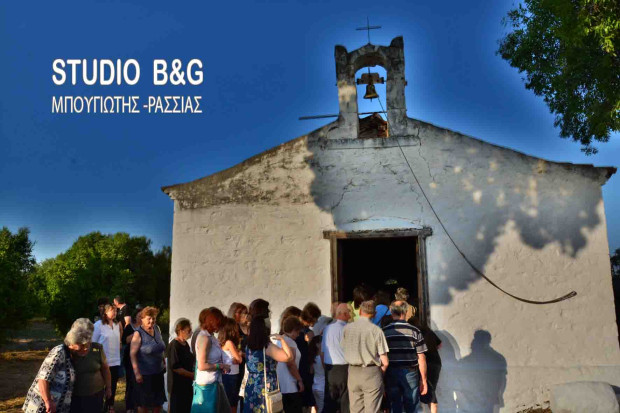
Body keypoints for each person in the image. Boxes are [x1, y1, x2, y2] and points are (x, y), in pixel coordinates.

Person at [23, 318, 97, 413]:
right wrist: (48, 401)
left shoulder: (73, 356)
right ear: (71, 344)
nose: (86, 348)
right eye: (82, 346)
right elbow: (43, 379)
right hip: (43, 407)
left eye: (88, 345)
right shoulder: (59, 352)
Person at [243, 298, 294, 413]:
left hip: (251, 385)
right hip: (265, 386)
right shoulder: (267, 347)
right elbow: (289, 357)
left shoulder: (248, 345)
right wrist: (282, 339)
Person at [341, 300, 389, 413]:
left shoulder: (347, 328)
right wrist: (379, 374)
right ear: (374, 314)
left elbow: (343, 348)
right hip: (371, 371)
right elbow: (385, 362)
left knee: (355, 409)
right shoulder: (376, 331)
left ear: (360, 311)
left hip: (353, 371)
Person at [382, 301, 428, 413]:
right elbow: (421, 357)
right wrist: (423, 380)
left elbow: (381, 357)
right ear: (406, 312)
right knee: (412, 405)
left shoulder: (384, 332)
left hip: (391, 372)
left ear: (391, 312)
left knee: (394, 404)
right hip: (410, 372)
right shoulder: (415, 331)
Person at [70, 318, 113, 412]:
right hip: (75, 396)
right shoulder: (69, 350)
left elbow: (105, 369)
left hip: (96, 394)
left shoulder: (97, 348)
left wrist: (108, 387)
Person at [192, 307, 230, 413]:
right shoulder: (204, 338)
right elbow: (202, 365)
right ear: (212, 321)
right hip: (206, 386)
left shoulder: (211, 337)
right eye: (218, 321)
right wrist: (220, 366)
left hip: (214, 382)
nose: (220, 325)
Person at [130, 306, 167, 413]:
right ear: (142, 319)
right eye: (148, 318)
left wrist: (163, 360)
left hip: (158, 372)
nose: (151, 321)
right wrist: (137, 373)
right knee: (143, 404)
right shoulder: (138, 333)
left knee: (158, 403)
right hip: (144, 375)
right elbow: (132, 354)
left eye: (153, 318)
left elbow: (160, 346)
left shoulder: (157, 328)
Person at [322, 303, 351, 413]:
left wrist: (324, 368)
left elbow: (323, 351)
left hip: (330, 368)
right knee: (345, 400)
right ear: (344, 314)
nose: (350, 316)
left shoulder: (327, 329)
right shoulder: (347, 329)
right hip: (344, 368)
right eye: (349, 313)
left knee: (330, 400)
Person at [93, 303, 123, 411]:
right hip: (102, 361)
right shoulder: (98, 325)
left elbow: (118, 339)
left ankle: (110, 406)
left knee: (112, 385)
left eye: (115, 310)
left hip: (115, 359)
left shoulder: (116, 324)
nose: (114, 312)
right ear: (105, 312)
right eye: (112, 310)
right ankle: (99, 406)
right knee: (100, 385)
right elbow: (93, 342)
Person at [409, 317, 441, 413]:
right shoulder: (428, 330)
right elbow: (440, 344)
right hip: (436, 361)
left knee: (425, 389)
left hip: (425, 363)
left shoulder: (414, 333)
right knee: (431, 389)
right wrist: (431, 348)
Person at [167, 318, 195, 413]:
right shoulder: (174, 345)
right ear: (181, 331)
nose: (190, 333)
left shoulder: (185, 344)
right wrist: (192, 375)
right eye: (188, 331)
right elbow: (176, 367)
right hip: (177, 386)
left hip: (186, 385)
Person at [277, 316, 305, 413]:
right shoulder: (290, 342)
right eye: (297, 331)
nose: (298, 334)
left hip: (282, 384)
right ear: (293, 330)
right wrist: (299, 380)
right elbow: (291, 364)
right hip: (290, 384)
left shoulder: (280, 340)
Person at [227, 303, 249, 411]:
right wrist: (240, 353)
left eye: (246, 313)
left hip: (247, 364)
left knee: (245, 394)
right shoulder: (231, 329)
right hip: (235, 365)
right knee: (234, 396)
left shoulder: (248, 328)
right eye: (242, 313)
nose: (245, 315)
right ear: (235, 314)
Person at [219, 317, 243, 413]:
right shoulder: (229, 343)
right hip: (232, 375)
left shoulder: (221, 342)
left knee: (228, 400)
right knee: (233, 402)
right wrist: (239, 354)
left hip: (226, 374)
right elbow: (239, 359)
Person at [123, 308, 143, 413]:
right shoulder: (129, 327)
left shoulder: (146, 328)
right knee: (130, 381)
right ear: (135, 317)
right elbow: (125, 340)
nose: (141, 318)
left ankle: (139, 404)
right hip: (130, 358)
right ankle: (129, 406)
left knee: (140, 382)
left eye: (143, 316)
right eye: (140, 316)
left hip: (142, 358)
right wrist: (137, 332)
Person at [308, 335, 325, 413]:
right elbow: (325, 369)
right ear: (318, 344)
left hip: (315, 386)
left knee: (319, 407)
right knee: (322, 408)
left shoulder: (313, 357)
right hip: (322, 386)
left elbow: (311, 371)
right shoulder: (322, 355)